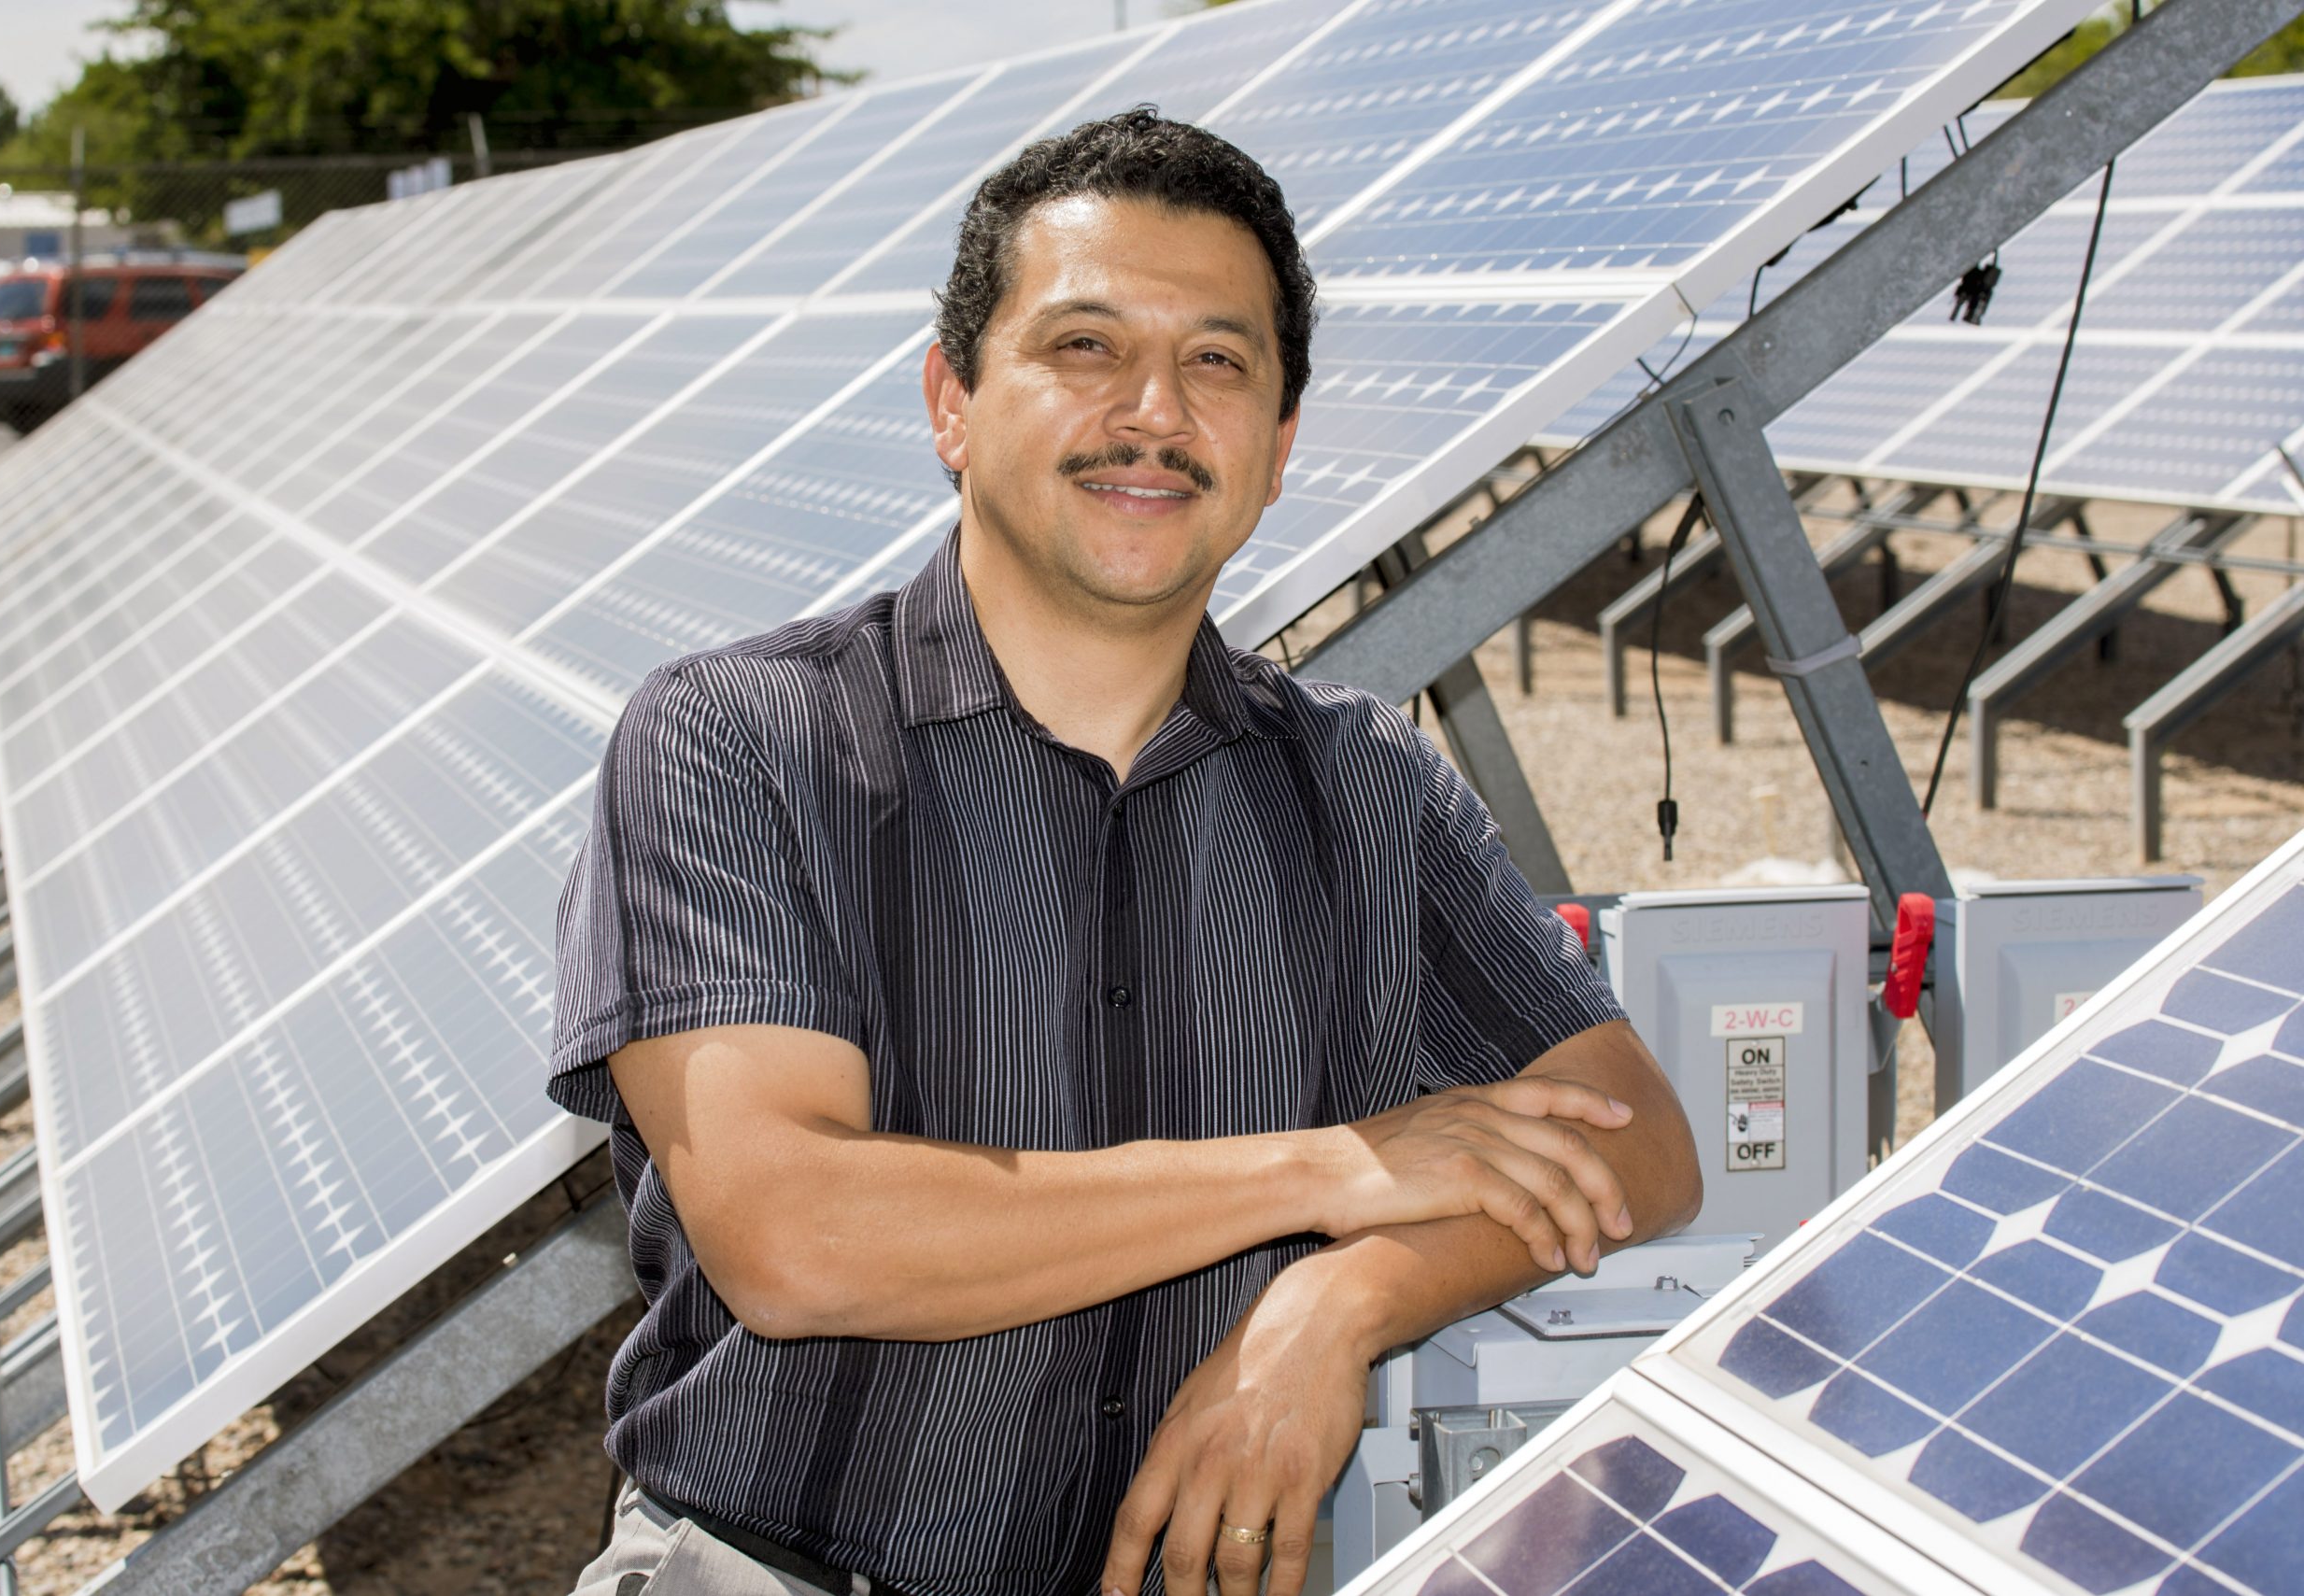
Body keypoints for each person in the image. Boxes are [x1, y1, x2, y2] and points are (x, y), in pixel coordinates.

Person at [548, 106, 1703, 1596]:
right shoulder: (740, 740)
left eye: (1218, 361)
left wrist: (1340, 1304)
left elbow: (1639, 1142)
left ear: (1279, 449)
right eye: (1083, 346)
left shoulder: (1362, 783)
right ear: (951, 401)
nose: (1154, 410)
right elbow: (800, 1234)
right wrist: (1333, 1172)